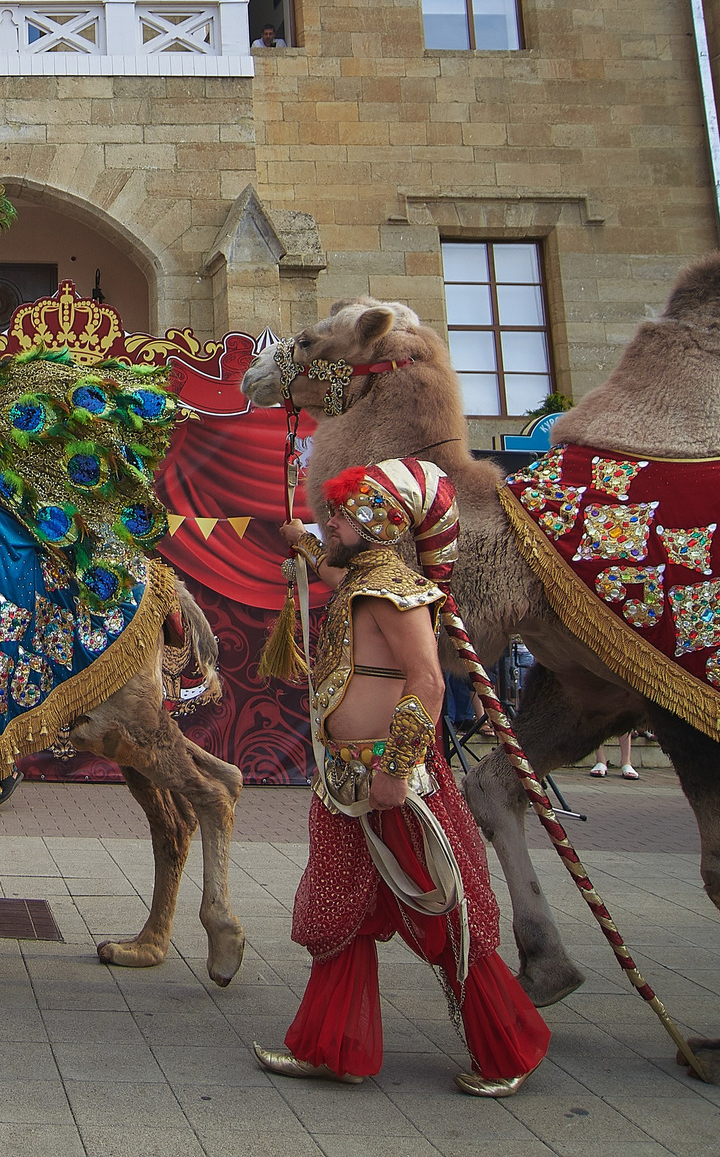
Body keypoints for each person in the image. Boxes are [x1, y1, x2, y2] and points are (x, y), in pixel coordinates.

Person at [255, 458, 549, 1098]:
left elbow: (428, 682)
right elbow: (331, 567)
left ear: (383, 522)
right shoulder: (363, 577)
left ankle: (508, 1050)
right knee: (339, 909)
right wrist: (302, 544)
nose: (331, 519)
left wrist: (397, 768)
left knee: (444, 905)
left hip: (395, 780)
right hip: (343, 780)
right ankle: (334, 1046)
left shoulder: (397, 592)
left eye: (343, 511)